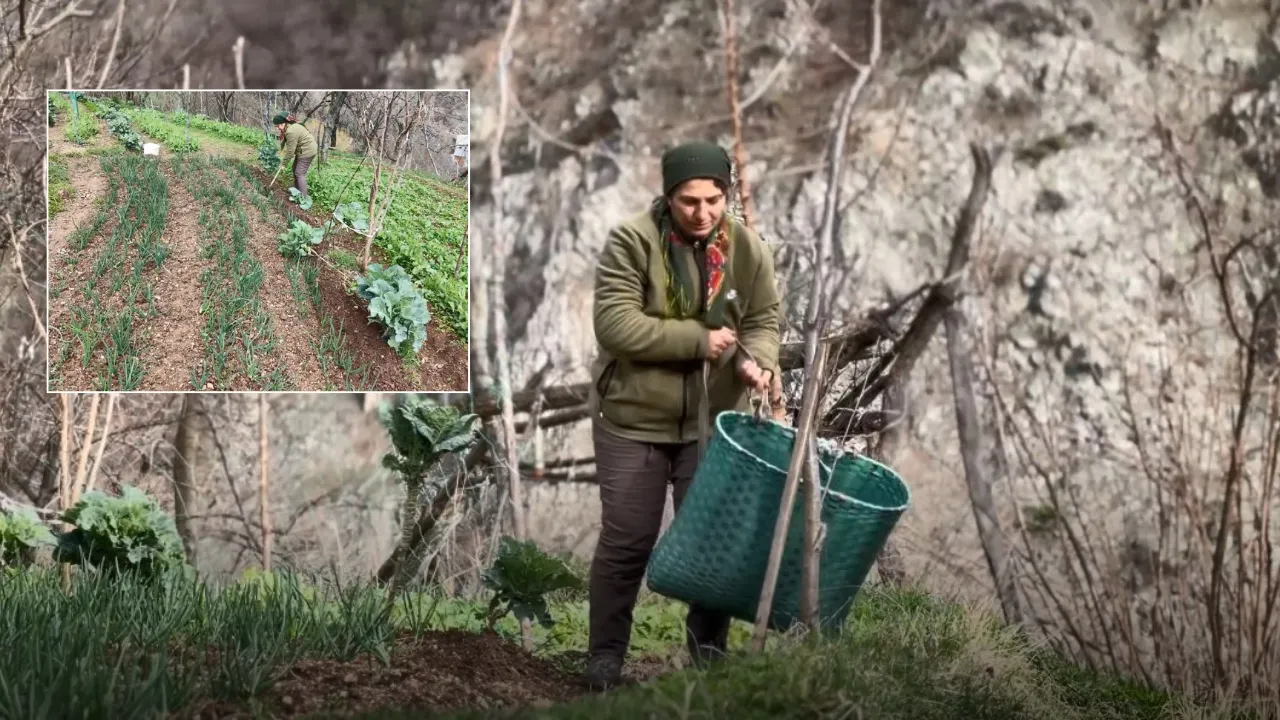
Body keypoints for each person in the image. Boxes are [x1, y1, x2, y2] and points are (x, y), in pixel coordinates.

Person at [585, 140, 781, 689]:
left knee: (711, 546)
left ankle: (708, 658)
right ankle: (604, 658)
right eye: (689, 201)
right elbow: (616, 325)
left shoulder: (747, 249)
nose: (702, 213)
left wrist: (758, 363)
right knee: (627, 541)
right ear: (668, 195)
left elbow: (764, 319)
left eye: (713, 200)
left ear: (727, 195)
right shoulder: (632, 241)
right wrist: (698, 340)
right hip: (633, 418)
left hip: (713, 423)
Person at [272, 112, 318, 196]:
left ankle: (303, 197)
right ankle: (297, 190)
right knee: (294, 168)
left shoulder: (290, 131)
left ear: (283, 123)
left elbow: (290, 151)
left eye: (278, 126)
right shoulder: (291, 127)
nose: (277, 128)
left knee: (299, 173)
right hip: (303, 149)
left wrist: (283, 164)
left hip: (307, 150)